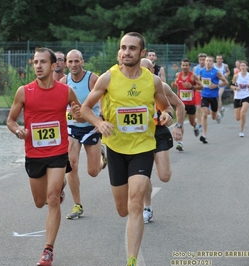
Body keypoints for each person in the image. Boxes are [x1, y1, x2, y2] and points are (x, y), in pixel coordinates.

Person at [81, 32, 173, 266]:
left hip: (143, 147)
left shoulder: (152, 81)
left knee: (135, 201)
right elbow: (85, 109)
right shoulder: (108, 78)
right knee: (123, 209)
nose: (126, 52)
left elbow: (166, 107)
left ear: (142, 53)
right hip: (116, 149)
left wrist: (166, 115)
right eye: (123, 47)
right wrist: (99, 123)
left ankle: (131, 259)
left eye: (132, 48)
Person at [7, 47, 83, 266]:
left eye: (42, 62)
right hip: (34, 153)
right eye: (35, 62)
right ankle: (56, 189)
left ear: (53, 65)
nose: (38, 66)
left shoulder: (66, 91)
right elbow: (11, 120)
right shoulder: (24, 91)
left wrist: (77, 114)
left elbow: (77, 113)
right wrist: (18, 131)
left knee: (52, 199)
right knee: (40, 202)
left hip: (58, 151)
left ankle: (48, 250)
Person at [59, 49, 106, 220]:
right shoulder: (65, 81)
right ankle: (77, 205)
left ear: (82, 62)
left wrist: (101, 116)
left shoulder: (93, 79)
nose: (73, 65)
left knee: (93, 172)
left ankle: (102, 158)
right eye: (70, 62)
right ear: (66, 63)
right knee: (71, 164)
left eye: (76, 61)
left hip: (90, 127)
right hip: (72, 128)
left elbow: (102, 98)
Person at [140, 58, 184, 224]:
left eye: (146, 70)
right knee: (143, 175)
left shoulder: (162, 87)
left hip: (158, 132)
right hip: (140, 135)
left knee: (164, 176)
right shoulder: (130, 87)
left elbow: (179, 105)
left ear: (152, 71)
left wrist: (178, 125)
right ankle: (147, 208)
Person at [171, 58, 204, 151]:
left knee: (191, 122)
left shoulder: (193, 76)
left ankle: (195, 126)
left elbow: (201, 86)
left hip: (190, 104)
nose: (185, 67)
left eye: (186, 65)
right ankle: (180, 142)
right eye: (183, 65)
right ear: (181, 66)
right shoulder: (178, 75)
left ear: (189, 66)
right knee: (180, 122)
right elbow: (174, 84)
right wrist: (173, 84)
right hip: (180, 104)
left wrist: (192, 86)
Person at [198, 55, 228, 143]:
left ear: (213, 63)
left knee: (213, 117)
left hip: (214, 97)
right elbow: (198, 81)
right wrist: (199, 85)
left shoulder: (216, 72)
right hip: (204, 96)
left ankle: (217, 115)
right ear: (205, 62)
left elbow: (226, 82)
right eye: (207, 61)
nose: (208, 62)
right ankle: (204, 135)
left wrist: (216, 85)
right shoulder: (201, 71)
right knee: (204, 114)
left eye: (210, 61)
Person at [230, 60, 249, 137]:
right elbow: (231, 86)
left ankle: (241, 130)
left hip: (246, 96)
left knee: (243, 112)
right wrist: (236, 88)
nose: (243, 67)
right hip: (237, 97)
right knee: (237, 118)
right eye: (241, 66)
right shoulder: (236, 76)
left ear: (247, 67)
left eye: (244, 66)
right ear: (239, 67)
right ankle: (241, 126)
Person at [193, 53, 207, 133]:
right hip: (198, 90)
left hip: (206, 91)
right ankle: (200, 124)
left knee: (204, 110)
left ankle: (203, 121)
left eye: (203, 60)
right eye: (200, 60)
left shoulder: (208, 69)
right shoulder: (195, 68)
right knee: (198, 108)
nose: (202, 61)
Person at [213, 54, 230, 121]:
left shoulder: (225, 66)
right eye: (218, 59)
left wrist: (226, 74)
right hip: (215, 84)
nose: (219, 60)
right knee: (214, 98)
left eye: (220, 59)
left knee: (219, 96)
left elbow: (228, 71)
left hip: (222, 84)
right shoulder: (213, 65)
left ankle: (218, 112)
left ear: (222, 60)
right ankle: (221, 108)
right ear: (216, 59)